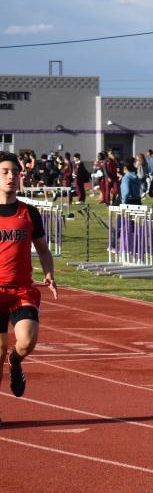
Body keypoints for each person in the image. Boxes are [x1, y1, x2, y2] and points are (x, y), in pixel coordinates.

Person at [0, 152, 58, 426]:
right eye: (4, 172)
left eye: (15, 172)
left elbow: (43, 250)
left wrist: (49, 273)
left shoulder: (29, 212)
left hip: (22, 289)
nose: (11, 177)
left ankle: (16, 361)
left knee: (27, 341)